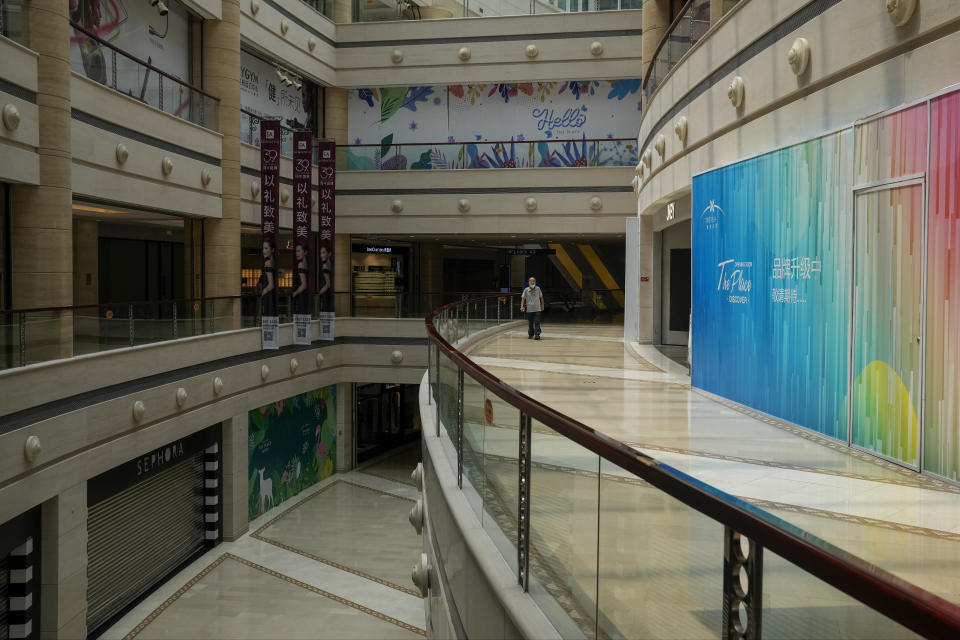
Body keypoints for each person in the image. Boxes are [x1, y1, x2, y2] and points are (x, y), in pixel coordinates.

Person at [259, 240, 277, 317]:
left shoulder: (267, 262)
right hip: (272, 295)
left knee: (266, 315)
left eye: (266, 248)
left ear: (272, 250)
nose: (263, 251)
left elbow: (271, 285)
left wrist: (261, 294)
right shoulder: (273, 261)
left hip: (267, 295)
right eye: (263, 248)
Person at [292, 243, 310, 315]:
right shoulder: (306, 263)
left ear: (305, 252)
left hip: (300, 295)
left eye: (299, 251)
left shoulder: (300, 264)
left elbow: (304, 285)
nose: (296, 253)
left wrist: (294, 293)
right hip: (305, 295)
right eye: (296, 251)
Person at [318, 245, 333, 312]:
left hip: (325, 294)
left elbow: (327, 285)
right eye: (321, 253)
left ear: (329, 254)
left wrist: (318, 294)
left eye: (323, 253)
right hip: (329, 294)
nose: (321, 255)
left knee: (325, 310)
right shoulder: (330, 263)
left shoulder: (325, 265)